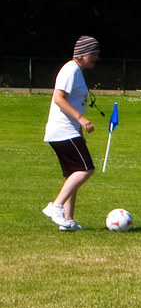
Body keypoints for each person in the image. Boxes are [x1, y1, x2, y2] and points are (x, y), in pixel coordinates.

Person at [42, 35, 100, 231]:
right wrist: (81, 119)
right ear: (83, 54)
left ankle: (68, 221)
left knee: (73, 173)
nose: (97, 57)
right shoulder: (71, 69)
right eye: (94, 53)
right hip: (62, 130)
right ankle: (56, 207)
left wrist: (79, 131)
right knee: (85, 169)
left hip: (67, 131)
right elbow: (58, 98)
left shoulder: (76, 71)